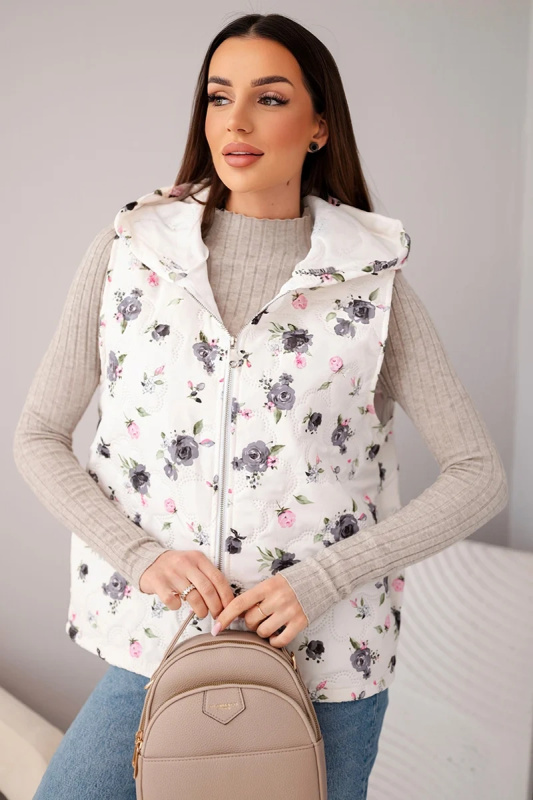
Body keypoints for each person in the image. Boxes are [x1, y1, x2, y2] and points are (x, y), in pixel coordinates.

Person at [13, 13, 508, 800]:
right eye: (219, 97)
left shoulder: (370, 282)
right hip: (162, 644)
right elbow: (38, 435)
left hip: (327, 661)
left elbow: (478, 473)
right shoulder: (129, 256)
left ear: (318, 127)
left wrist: (325, 578)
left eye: (269, 98)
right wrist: (142, 557)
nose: (235, 121)